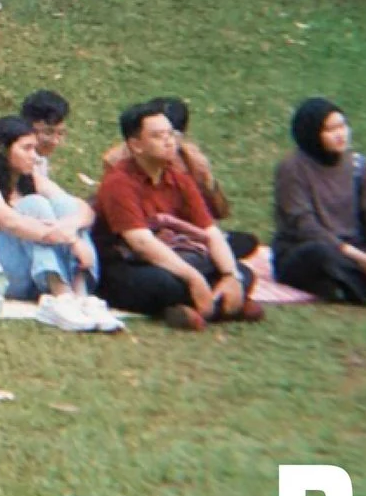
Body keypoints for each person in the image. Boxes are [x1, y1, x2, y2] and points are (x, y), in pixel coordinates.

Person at [94, 99, 255, 329]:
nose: (169, 141)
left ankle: (199, 306)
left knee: (243, 272)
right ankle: (220, 306)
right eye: (158, 136)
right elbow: (141, 244)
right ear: (136, 145)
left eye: (171, 134)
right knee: (165, 284)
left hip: (173, 253)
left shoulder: (178, 178)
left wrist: (231, 276)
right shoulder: (119, 182)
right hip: (127, 263)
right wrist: (193, 278)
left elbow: (210, 230)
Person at [0, 116, 103, 309]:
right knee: (33, 205)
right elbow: (11, 223)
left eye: (35, 149)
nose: (35, 157)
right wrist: (71, 240)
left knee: (64, 205)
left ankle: (80, 293)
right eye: (26, 149)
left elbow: (83, 209)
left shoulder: (31, 179)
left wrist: (68, 227)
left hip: (34, 273)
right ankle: (62, 294)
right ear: (2, 150)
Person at [272, 99, 366, 305]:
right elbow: (305, 226)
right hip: (307, 250)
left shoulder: (358, 165)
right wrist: (362, 259)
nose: (340, 134)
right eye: (330, 130)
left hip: (356, 247)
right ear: (313, 134)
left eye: (343, 126)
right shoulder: (292, 168)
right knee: (322, 255)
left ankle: (361, 281)